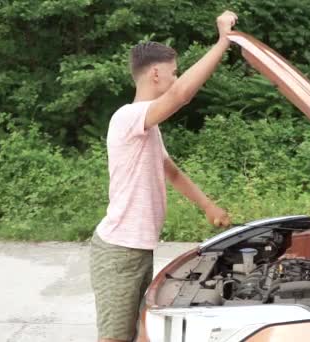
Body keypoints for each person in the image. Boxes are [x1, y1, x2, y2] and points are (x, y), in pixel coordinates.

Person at [89, 10, 238, 342]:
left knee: (145, 333)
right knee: (115, 338)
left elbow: (171, 171)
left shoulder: (148, 127)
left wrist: (209, 207)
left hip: (137, 249)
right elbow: (180, 95)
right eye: (174, 72)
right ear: (155, 73)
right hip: (118, 252)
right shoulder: (128, 117)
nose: (176, 78)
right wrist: (222, 42)